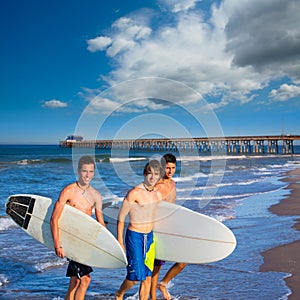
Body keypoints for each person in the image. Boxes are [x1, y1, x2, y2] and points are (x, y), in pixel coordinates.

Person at [50, 155, 106, 300]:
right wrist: (57, 245)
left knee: (75, 281)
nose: (88, 175)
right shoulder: (69, 191)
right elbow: (54, 219)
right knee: (85, 279)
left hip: (86, 242)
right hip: (71, 241)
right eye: (84, 171)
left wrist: (109, 245)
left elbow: (101, 224)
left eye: (91, 171)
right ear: (78, 171)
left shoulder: (96, 195)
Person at [115, 160, 163, 300]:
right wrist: (120, 240)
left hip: (149, 237)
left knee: (148, 275)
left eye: (156, 174)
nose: (152, 177)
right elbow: (121, 217)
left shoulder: (157, 194)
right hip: (135, 236)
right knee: (135, 277)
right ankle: (119, 293)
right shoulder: (134, 193)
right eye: (149, 174)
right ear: (144, 174)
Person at [150, 153, 187, 300]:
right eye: (167, 168)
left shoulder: (173, 184)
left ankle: (163, 284)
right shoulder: (156, 186)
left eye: (173, 168)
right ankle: (152, 296)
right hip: (158, 229)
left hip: (171, 228)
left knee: (183, 260)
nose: (170, 171)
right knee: (156, 267)